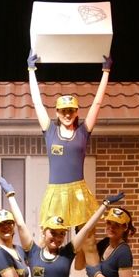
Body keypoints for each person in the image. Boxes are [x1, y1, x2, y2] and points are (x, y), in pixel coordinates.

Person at [27, 51, 112, 229]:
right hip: (55, 194)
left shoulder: (83, 131)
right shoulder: (50, 130)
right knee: (51, 236)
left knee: (86, 237)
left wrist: (106, 72)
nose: (67, 114)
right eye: (63, 111)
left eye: (71, 110)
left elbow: (97, 103)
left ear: (76, 112)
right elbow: (37, 103)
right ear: (57, 112)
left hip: (78, 192)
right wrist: (31, 71)